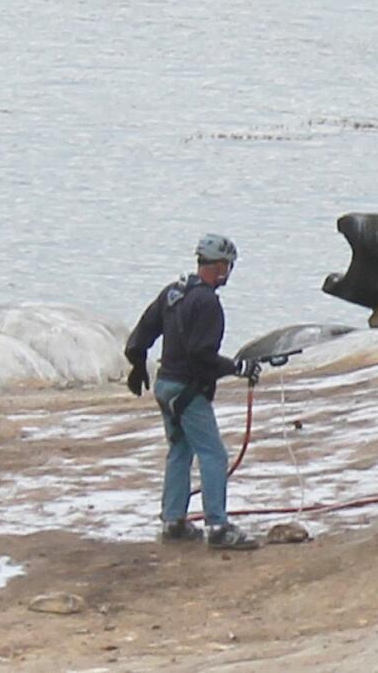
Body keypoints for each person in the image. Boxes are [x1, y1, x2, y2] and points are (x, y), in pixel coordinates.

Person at [124, 233, 261, 550]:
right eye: (228, 266)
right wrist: (238, 368)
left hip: (164, 387)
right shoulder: (208, 302)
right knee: (213, 454)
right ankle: (218, 527)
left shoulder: (174, 292)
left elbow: (141, 334)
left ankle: (173, 522)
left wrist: (137, 365)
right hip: (187, 390)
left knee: (180, 450)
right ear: (222, 267)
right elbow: (201, 355)